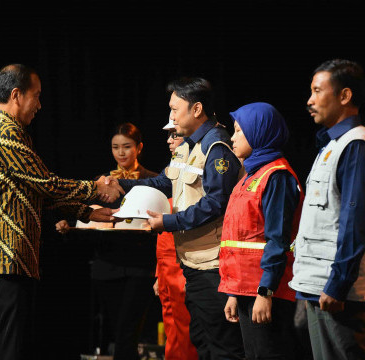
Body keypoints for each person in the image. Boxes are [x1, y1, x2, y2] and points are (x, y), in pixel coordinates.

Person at [0, 64, 123, 360]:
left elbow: (33, 191)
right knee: (7, 348)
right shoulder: (4, 135)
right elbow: (46, 184)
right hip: (6, 256)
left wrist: (85, 212)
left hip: (14, 257)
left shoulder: (8, 132)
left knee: (12, 344)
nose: (40, 105)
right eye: (36, 96)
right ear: (16, 95)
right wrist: (95, 188)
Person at [115, 77, 245, 359]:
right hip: (190, 263)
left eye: (175, 110)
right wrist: (119, 186)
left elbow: (216, 203)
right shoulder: (187, 146)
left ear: (196, 109)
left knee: (222, 346)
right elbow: (164, 182)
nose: (171, 117)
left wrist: (168, 223)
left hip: (213, 265)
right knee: (201, 340)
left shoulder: (217, 146)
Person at [57, 122, 159, 360]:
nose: (121, 152)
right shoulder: (101, 182)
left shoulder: (154, 181)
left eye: (126, 146)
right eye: (115, 147)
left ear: (139, 147)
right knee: (120, 332)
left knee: (128, 330)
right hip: (107, 266)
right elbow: (90, 222)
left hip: (140, 265)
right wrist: (69, 227)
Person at [289, 59, 365, 360]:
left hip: (336, 292)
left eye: (317, 91)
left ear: (344, 96)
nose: (309, 100)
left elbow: (354, 221)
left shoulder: (355, 145)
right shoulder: (330, 146)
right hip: (316, 284)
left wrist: (338, 283)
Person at [218, 102, 304, 359]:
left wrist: (265, 292)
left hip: (267, 291)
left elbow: (278, 240)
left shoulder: (277, 176)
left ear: (258, 133)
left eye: (238, 131)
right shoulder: (250, 176)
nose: (232, 138)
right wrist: (234, 293)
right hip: (246, 290)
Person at [153, 119, 197, 360]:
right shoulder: (173, 169)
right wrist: (159, 273)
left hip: (186, 258)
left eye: (174, 135)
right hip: (167, 259)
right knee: (172, 327)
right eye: (168, 135)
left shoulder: (199, 166)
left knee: (186, 328)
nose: (169, 141)